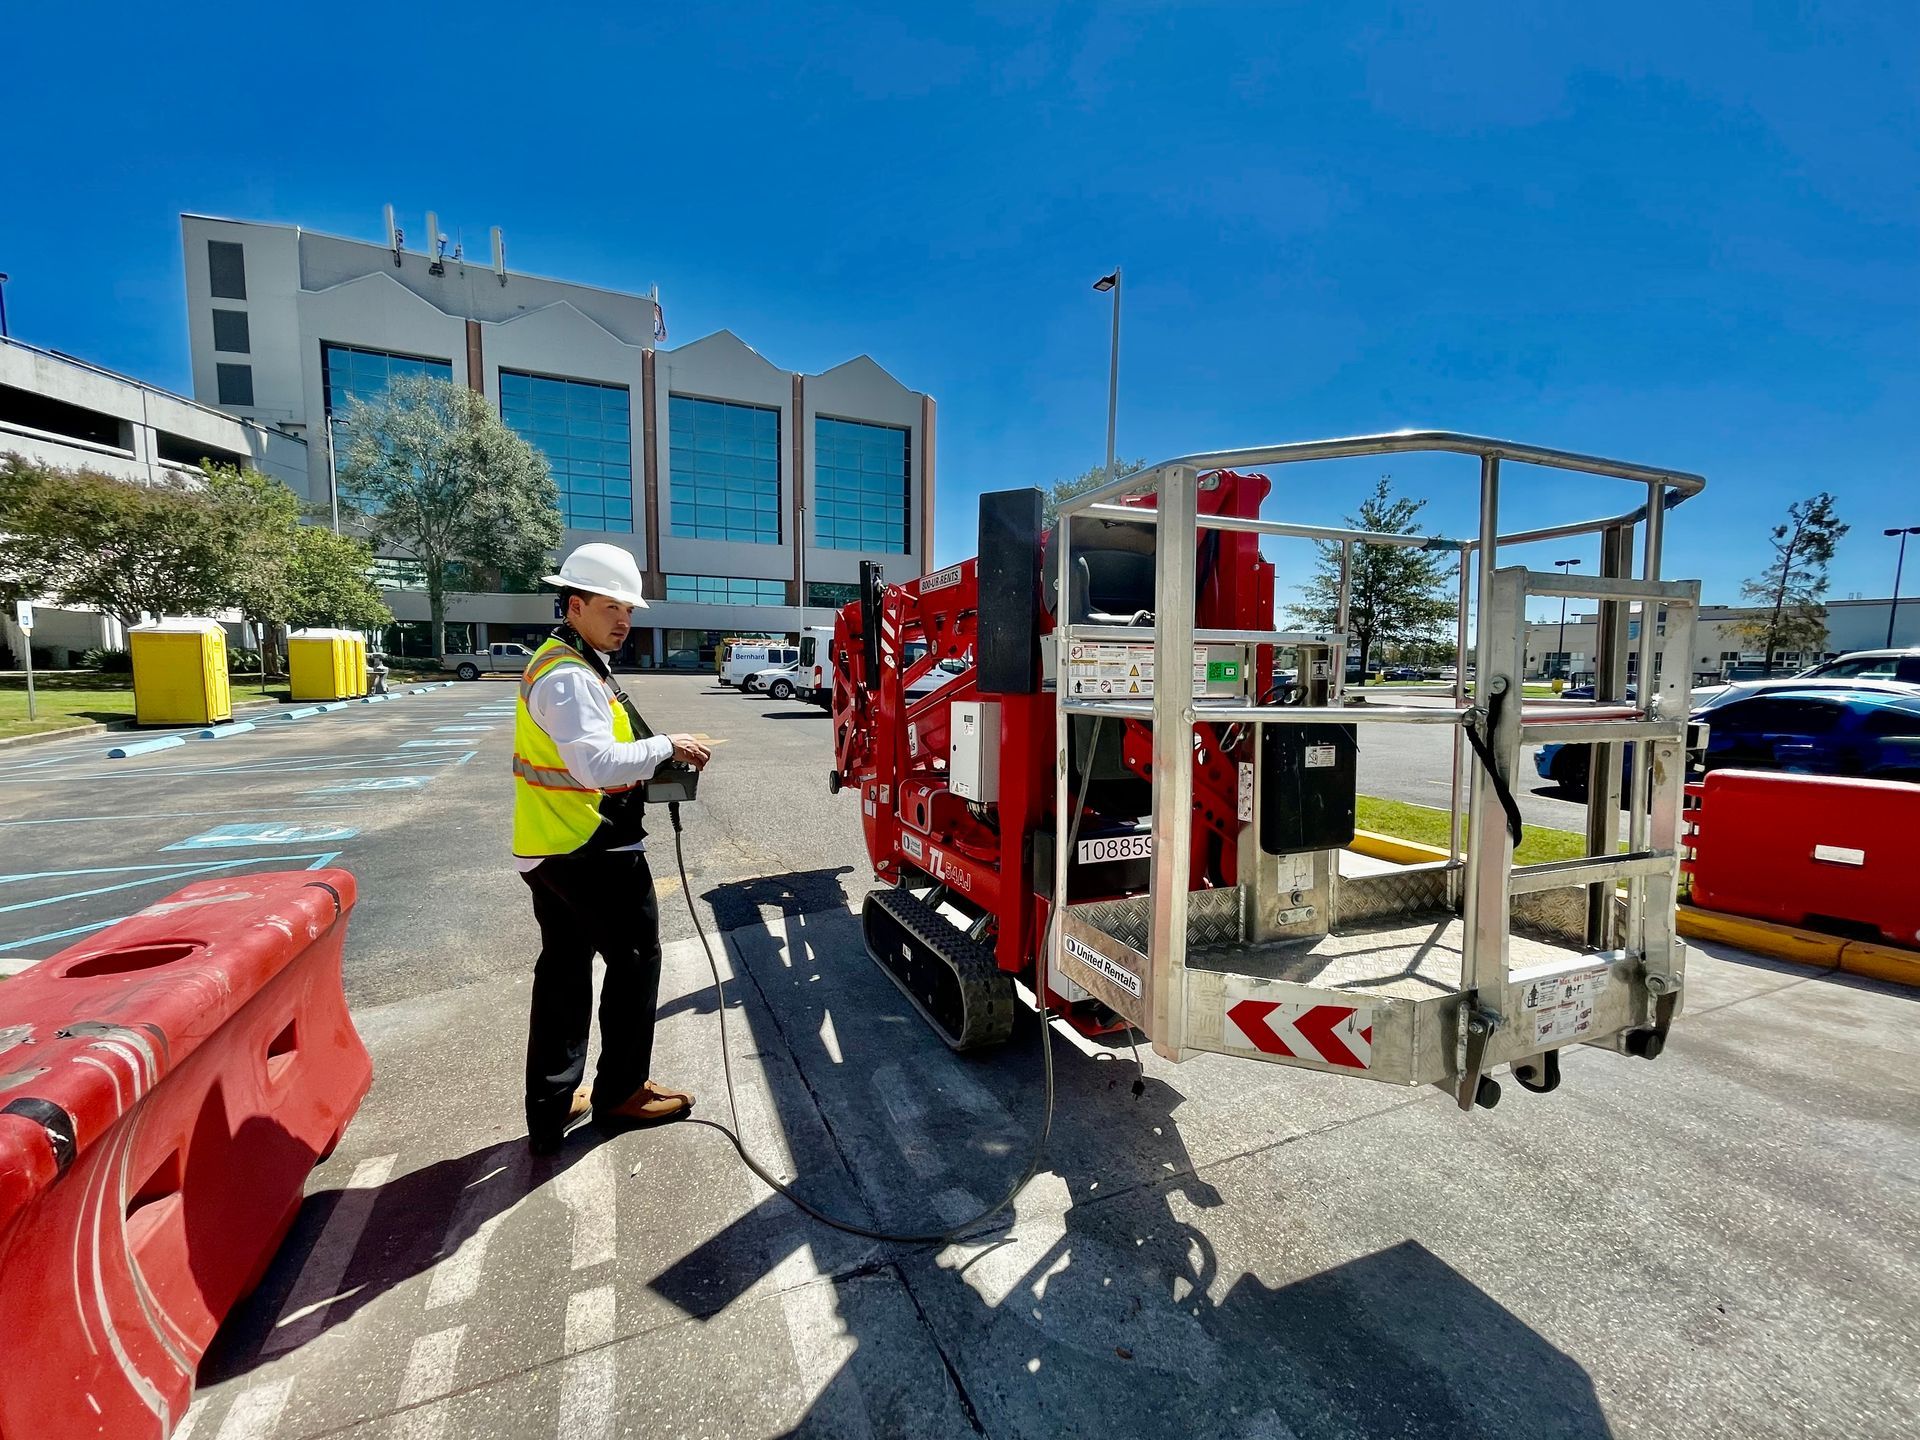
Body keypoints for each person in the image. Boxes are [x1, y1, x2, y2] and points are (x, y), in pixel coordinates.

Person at [513, 542, 712, 1155]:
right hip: (592, 848)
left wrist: (647, 759)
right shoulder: (571, 677)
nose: (623, 621)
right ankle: (622, 1092)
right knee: (634, 964)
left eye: (628, 610)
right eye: (610, 608)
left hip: (552, 845)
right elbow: (596, 765)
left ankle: (551, 1103)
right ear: (574, 605)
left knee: (564, 971)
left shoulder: (566, 660)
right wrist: (667, 745)